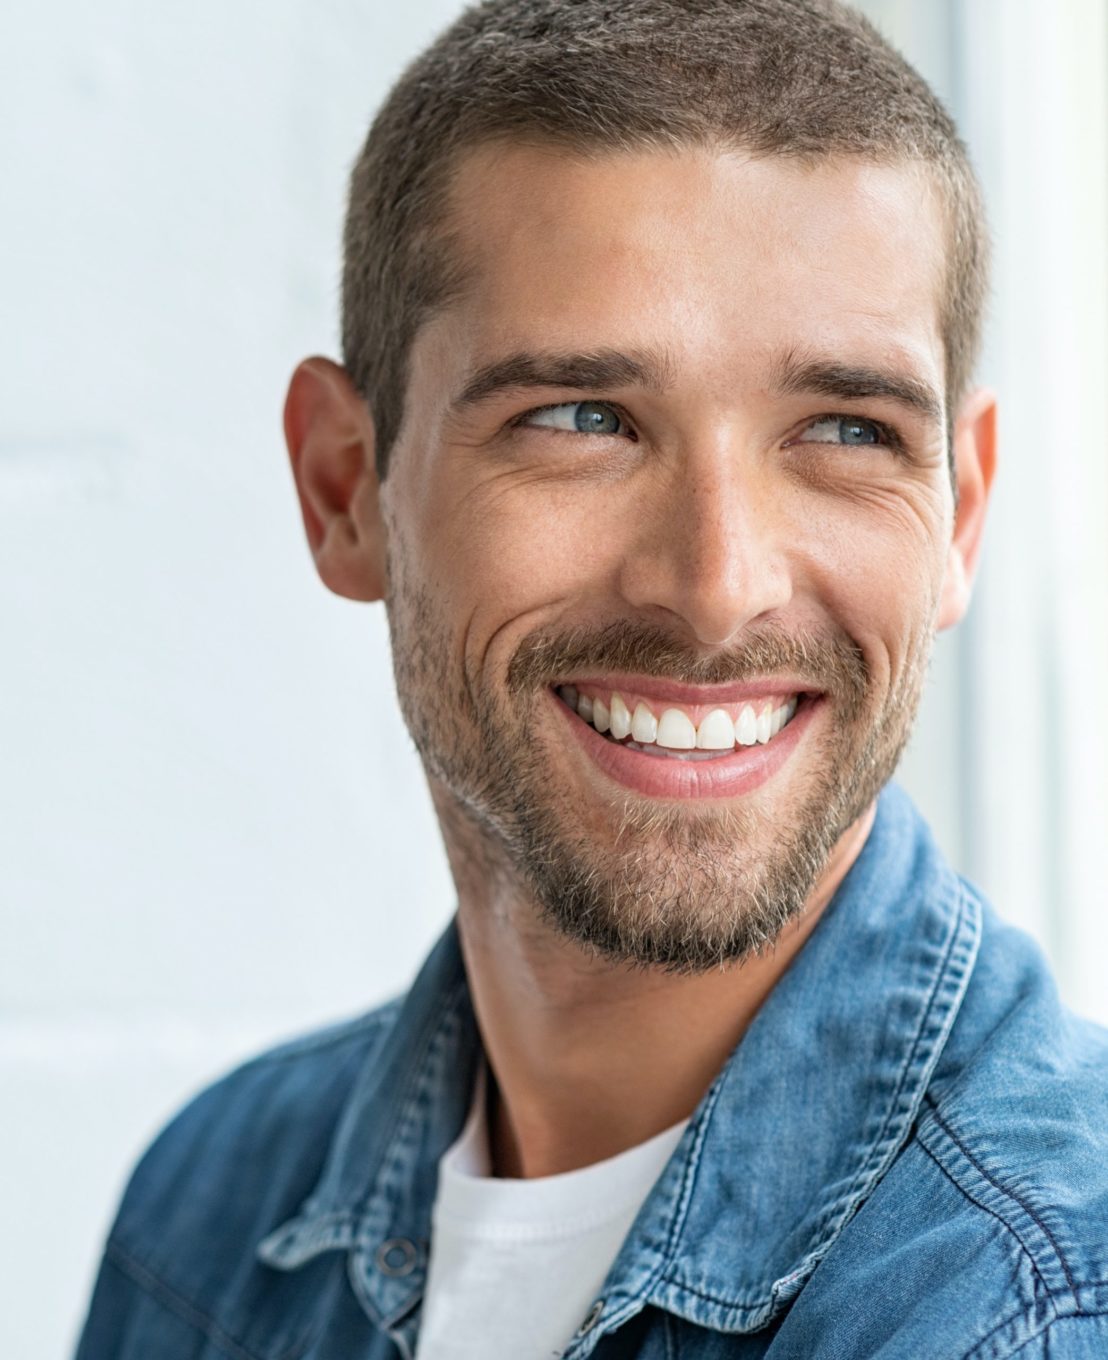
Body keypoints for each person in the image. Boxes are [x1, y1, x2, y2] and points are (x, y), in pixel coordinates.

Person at [75, 1, 1108, 1357]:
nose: (717, 583)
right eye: (581, 421)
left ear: (960, 515)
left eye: (847, 430)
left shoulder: (1040, 1303)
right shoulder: (206, 1219)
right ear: (346, 488)